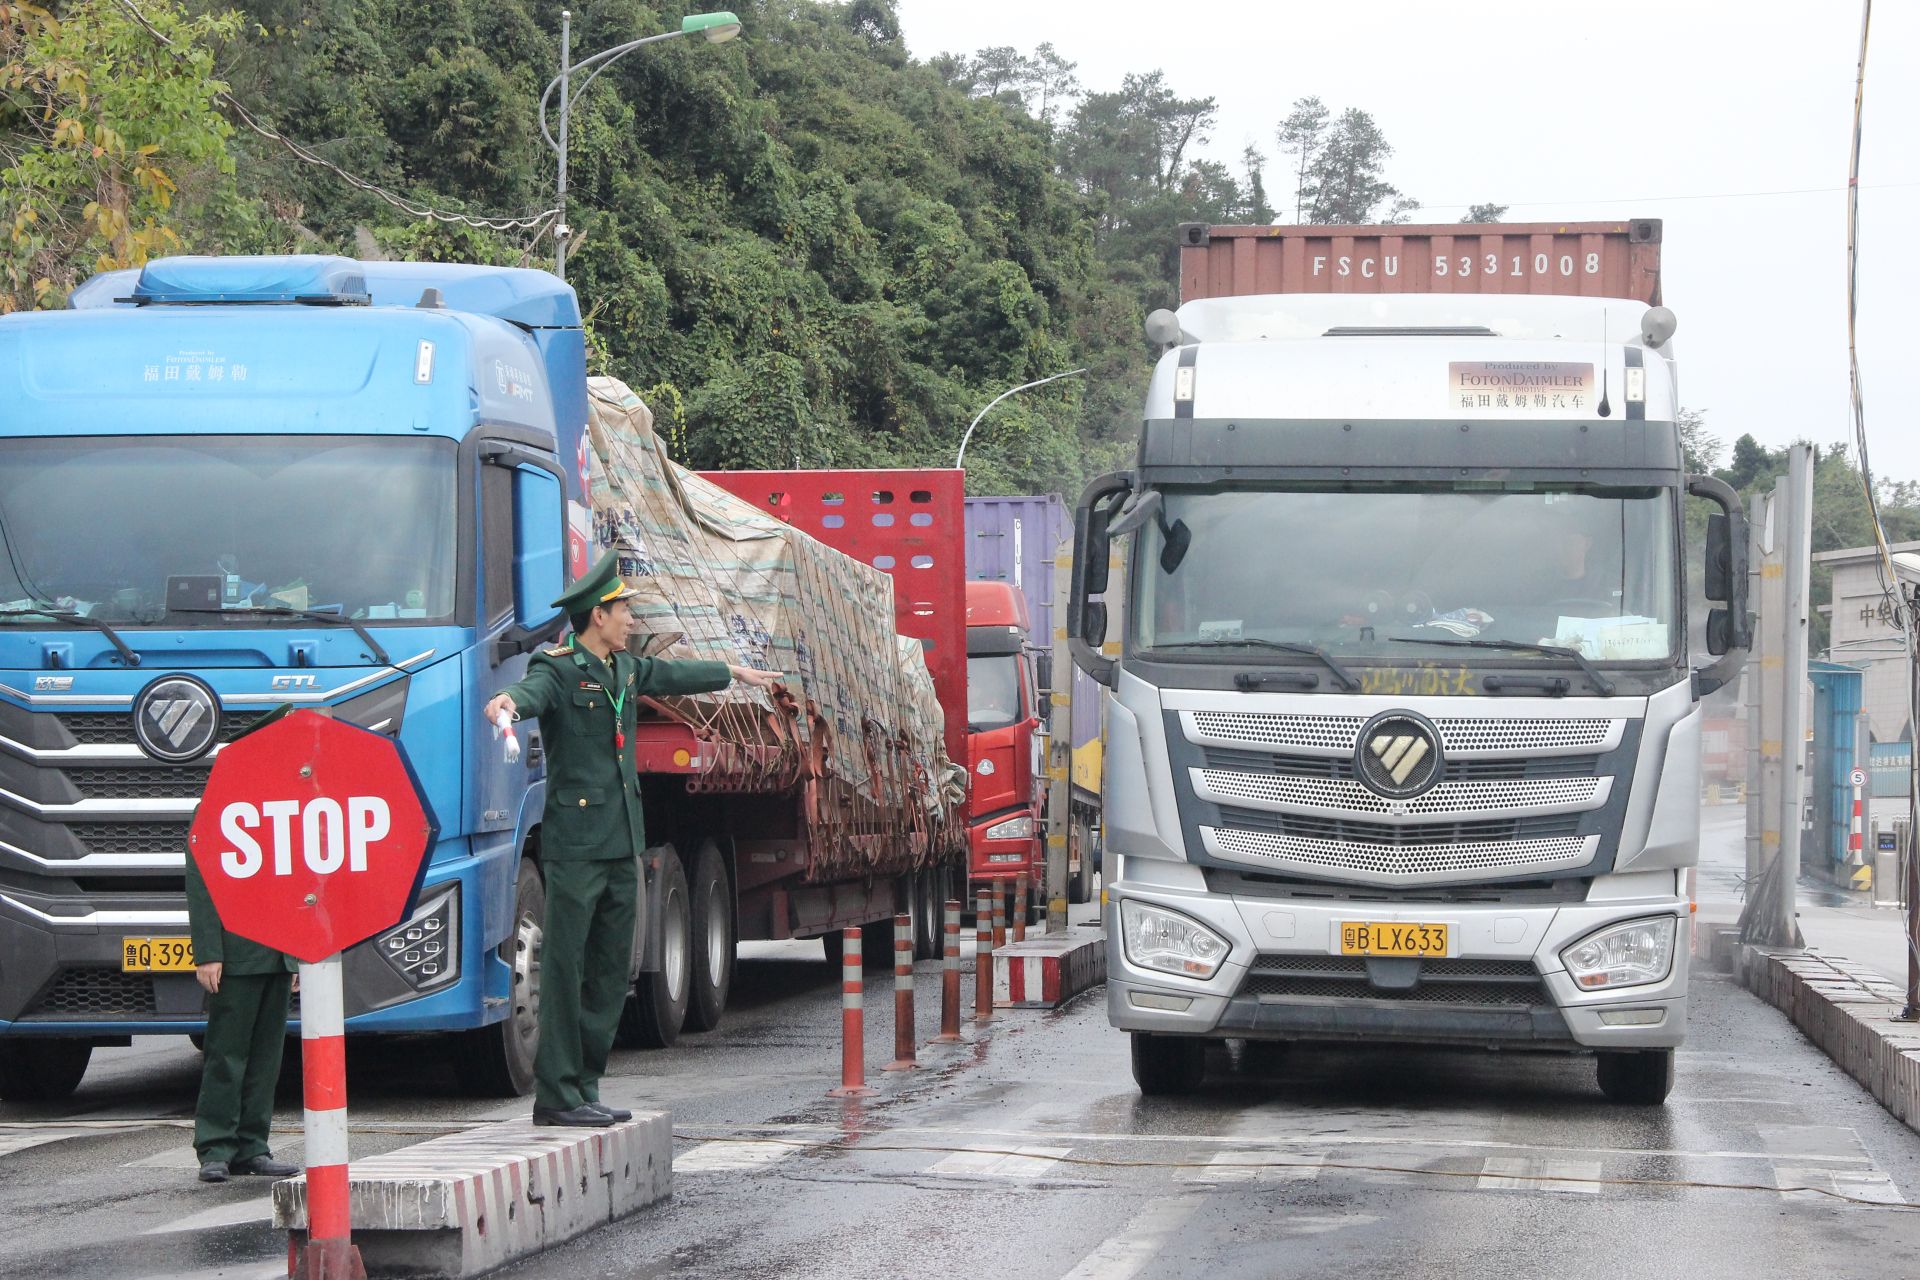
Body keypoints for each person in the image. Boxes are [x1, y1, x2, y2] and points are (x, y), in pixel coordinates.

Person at [483, 551, 780, 1127]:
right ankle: (556, 1094)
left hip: (623, 842)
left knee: (611, 966)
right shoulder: (560, 668)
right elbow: (529, 696)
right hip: (576, 846)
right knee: (566, 969)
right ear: (598, 615)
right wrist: (506, 704)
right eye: (624, 612)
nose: (631, 622)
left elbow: (672, 675)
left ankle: (584, 1086)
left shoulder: (623, 669)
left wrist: (734, 674)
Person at [187, 856, 299, 1184]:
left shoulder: (281, 805)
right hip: (234, 949)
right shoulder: (217, 805)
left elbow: (292, 877)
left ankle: (252, 1147)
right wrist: (208, 952)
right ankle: (216, 1148)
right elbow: (201, 881)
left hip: (276, 950)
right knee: (226, 1055)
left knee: (267, 1058)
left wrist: (292, 955)